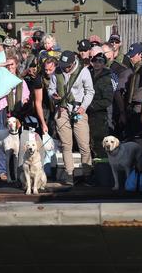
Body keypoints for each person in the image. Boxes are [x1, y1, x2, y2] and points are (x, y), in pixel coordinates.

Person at [48, 50, 95, 185]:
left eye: (68, 66)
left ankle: (87, 173)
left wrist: (83, 107)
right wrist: (53, 96)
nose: (65, 68)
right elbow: (50, 89)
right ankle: (69, 174)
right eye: (63, 65)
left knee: (84, 144)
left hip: (78, 109)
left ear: (74, 62)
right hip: (62, 110)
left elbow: (90, 91)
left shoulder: (83, 71)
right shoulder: (57, 72)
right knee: (66, 145)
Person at [123, 43, 142, 139]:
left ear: (140, 55)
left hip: (139, 107)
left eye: (133, 55)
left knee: (137, 136)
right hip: (133, 107)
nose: (130, 58)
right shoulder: (136, 68)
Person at [88, 53, 114, 159]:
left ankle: (100, 169)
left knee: (99, 143)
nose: (97, 64)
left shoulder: (107, 78)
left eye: (100, 61)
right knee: (87, 142)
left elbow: (108, 100)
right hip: (86, 113)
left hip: (99, 115)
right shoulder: (88, 75)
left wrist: (92, 105)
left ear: (104, 64)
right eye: (95, 61)